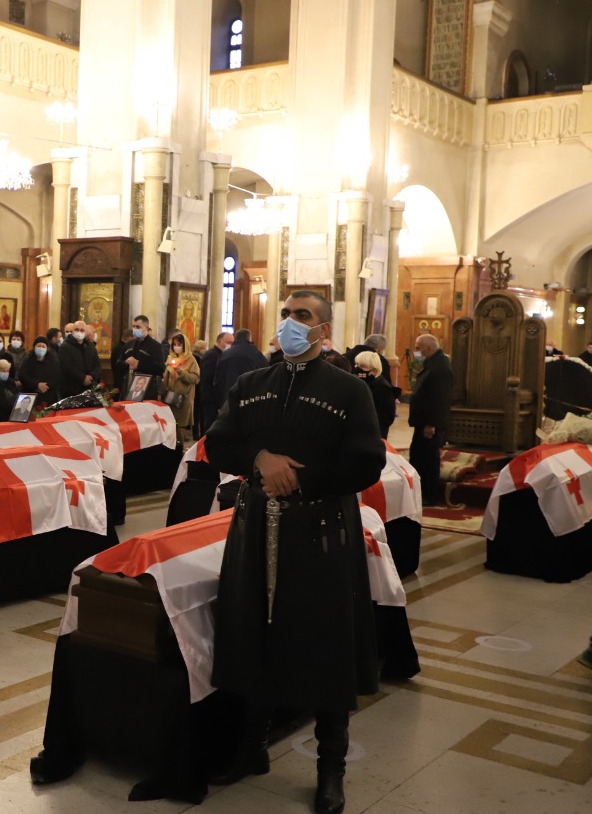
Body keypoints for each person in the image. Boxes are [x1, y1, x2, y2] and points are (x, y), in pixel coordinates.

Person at [203, 290, 384, 814]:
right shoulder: (251, 384)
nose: (290, 323)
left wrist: (300, 479)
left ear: (323, 330)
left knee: (325, 645)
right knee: (252, 634)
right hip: (255, 528)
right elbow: (219, 442)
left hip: (321, 531)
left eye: (302, 316)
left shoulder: (349, 390)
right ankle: (251, 747)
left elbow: (366, 462)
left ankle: (330, 770)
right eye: (285, 314)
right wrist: (261, 459)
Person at [409, 334, 453, 506]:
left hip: (429, 425)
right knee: (419, 458)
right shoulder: (433, 363)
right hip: (423, 422)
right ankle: (421, 493)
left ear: (428, 348)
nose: (416, 352)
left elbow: (439, 399)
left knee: (428, 460)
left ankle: (430, 495)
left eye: (418, 348)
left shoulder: (440, 367)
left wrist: (431, 424)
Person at [161, 333, 200, 438]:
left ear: (185, 345)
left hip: (183, 398)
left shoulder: (191, 359)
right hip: (169, 397)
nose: (176, 347)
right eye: (174, 344)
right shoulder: (170, 358)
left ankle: (180, 445)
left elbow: (195, 379)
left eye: (179, 344)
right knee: (169, 426)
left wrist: (181, 372)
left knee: (180, 427)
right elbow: (165, 377)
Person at [355, 350, 399, 439]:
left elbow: (386, 417)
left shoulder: (382, 387)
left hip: (373, 435)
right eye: (356, 365)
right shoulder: (359, 383)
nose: (357, 369)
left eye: (362, 366)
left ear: (374, 369)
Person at [215, 328, 268, 401]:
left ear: (235, 338)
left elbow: (217, 380)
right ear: (249, 338)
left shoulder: (224, 355)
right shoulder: (255, 354)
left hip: (228, 398)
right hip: (249, 398)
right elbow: (266, 374)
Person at [118, 315, 165, 394]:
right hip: (128, 384)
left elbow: (160, 368)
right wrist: (126, 362)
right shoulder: (129, 344)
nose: (135, 329)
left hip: (146, 388)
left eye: (138, 327)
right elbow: (118, 362)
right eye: (133, 326)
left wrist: (139, 366)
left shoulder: (155, 346)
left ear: (146, 328)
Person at [58, 320, 102, 398]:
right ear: (72, 331)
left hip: (90, 387)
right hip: (71, 389)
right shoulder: (64, 347)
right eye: (76, 329)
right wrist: (83, 378)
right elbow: (67, 367)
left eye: (82, 330)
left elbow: (98, 365)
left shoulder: (90, 346)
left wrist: (91, 377)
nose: (79, 332)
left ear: (85, 332)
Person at [200, 331, 233, 431]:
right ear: (219, 341)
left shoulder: (221, 355)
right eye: (228, 342)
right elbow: (209, 377)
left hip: (216, 397)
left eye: (232, 343)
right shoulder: (212, 355)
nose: (230, 345)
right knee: (210, 426)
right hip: (211, 397)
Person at [19, 336, 60, 409]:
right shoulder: (27, 360)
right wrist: (37, 385)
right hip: (30, 396)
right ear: (34, 347)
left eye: (43, 346)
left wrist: (46, 386)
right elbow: (22, 375)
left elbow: (57, 377)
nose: (41, 348)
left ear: (47, 349)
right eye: (39, 346)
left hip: (49, 396)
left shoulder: (53, 361)